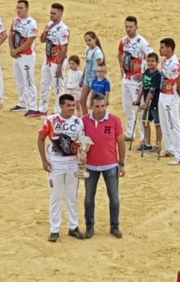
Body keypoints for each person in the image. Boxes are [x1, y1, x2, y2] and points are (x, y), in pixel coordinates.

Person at [37, 94, 86, 242]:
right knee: (56, 196)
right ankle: (54, 229)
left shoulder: (78, 122)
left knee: (72, 196)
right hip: (55, 163)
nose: (71, 108)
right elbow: (40, 138)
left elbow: (82, 143)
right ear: (61, 106)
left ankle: (73, 227)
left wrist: (83, 157)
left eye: (73, 106)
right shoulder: (51, 120)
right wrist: (44, 161)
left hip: (72, 162)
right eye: (68, 106)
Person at [82, 93, 126, 239]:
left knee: (114, 197)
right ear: (91, 106)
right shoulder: (84, 121)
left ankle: (115, 226)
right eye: (97, 107)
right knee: (89, 198)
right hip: (90, 166)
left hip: (111, 165)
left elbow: (120, 142)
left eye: (102, 106)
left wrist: (121, 164)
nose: (100, 110)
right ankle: (89, 226)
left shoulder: (114, 120)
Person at [117, 16, 154, 141]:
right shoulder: (124, 40)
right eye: (126, 27)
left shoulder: (141, 42)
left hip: (137, 81)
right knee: (127, 107)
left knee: (140, 108)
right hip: (126, 78)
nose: (128, 29)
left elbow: (152, 56)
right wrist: (121, 68)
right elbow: (120, 53)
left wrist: (145, 74)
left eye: (131, 27)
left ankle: (144, 137)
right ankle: (130, 133)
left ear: (136, 27)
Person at [31, 3, 69, 119]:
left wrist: (59, 67)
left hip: (57, 61)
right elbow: (42, 40)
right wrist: (45, 31)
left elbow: (64, 49)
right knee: (44, 84)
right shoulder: (49, 25)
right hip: (48, 60)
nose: (51, 15)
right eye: (51, 13)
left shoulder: (63, 30)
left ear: (60, 14)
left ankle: (59, 111)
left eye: (54, 13)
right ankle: (42, 109)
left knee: (58, 87)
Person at [8, 0, 39, 117]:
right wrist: (12, 49)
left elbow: (29, 42)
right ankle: (22, 103)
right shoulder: (15, 20)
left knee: (29, 80)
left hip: (27, 56)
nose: (18, 10)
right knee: (19, 79)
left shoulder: (32, 23)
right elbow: (11, 35)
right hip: (17, 55)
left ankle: (33, 106)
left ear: (26, 9)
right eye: (17, 8)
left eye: (21, 8)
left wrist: (16, 50)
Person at [159, 38, 180, 165]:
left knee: (174, 125)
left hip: (171, 97)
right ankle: (170, 148)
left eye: (162, 47)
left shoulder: (175, 64)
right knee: (165, 123)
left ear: (169, 49)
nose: (160, 49)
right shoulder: (165, 61)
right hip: (163, 94)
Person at [133, 52, 162, 152]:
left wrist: (145, 103)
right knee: (145, 122)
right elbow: (142, 86)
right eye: (148, 61)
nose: (150, 63)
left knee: (157, 124)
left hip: (155, 103)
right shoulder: (146, 72)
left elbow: (152, 90)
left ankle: (158, 145)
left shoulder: (157, 75)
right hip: (147, 103)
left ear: (157, 62)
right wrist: (138, 99)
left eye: (152, 61)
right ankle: (148, 144)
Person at [79, 31, 104, 115]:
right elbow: (87, 65)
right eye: (86, 41)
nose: (88, 42)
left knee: (93, 103)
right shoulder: (87, 50)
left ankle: (96, 120)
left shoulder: (97, 52)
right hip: (87, 76)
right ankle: (86, 119)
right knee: (82, 100)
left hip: (94, 78)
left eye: (89, 40)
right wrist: (82, 78)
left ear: (95, 39)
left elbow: (101, 66)